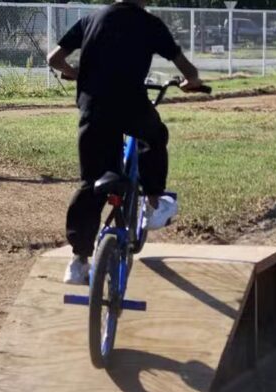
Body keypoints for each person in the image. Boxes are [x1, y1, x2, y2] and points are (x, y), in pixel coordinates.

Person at [47, 0, 204, 285]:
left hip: (93, 108)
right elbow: (188, 69)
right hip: (131, 107)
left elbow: (54, 59)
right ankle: (154, 202)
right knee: (155, 136)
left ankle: (78, 261)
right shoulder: (150, 24)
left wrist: (78, 74)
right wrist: (190, 81)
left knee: (90, 183)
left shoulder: (91, 19)